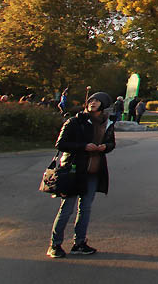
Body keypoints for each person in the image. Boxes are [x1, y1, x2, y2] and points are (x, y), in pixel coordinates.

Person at [46, 91, 116, 258]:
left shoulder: (107, 123)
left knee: (85, 208)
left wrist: (105, 147)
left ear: (103, 105)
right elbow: (61, 144)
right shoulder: (75, 121)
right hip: (74, 170)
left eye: (97, 101)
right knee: (67, 208)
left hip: (93, 170)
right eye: (91, 100)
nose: (93, 103)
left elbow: (111, 143)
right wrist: (84, 146)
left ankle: (80, 243)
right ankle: (54, 244)